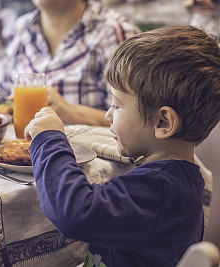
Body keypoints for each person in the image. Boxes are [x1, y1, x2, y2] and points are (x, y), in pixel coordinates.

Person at [23, 25, 220, 266]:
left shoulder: (159, 190)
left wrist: (50, 139)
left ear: (163, 122)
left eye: (117, 105)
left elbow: (73, 212)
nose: (107, 115)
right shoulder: (178, 179)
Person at [0, 0, 140, 126]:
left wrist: (69, 111)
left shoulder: (115, 32)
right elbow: (6, 98)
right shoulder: (21, 28)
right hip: (24, 154)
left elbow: (136, 121)